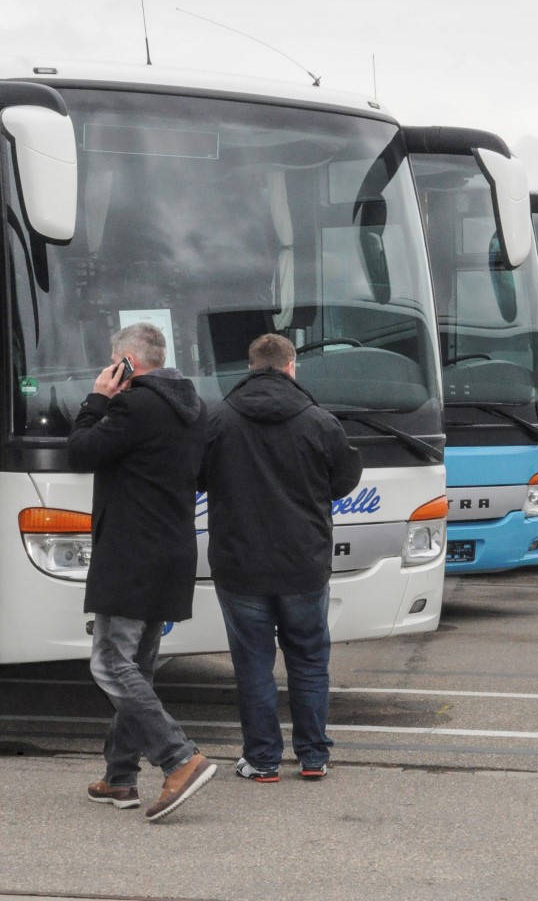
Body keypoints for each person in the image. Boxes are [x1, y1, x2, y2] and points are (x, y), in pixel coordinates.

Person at [69, 322, 217, 822]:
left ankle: (179, 758)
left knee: (110, 665)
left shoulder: (133, 405)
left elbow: (82, 451)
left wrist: (97, 400)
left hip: (132, 553)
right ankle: (119, 777)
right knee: (140, 668)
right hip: (172, 550)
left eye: (114, 362)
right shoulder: (192, 408)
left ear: (127, 362)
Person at [201, 334, 362, 783]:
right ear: (291, 367)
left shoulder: (218, 419)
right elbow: (345, 478)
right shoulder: (319, 421)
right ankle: (313, 757)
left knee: (253, 663)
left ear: (252, 367)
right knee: (309, 659)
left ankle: (263, 760)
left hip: (239, 564)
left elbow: (193, 474)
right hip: (304, 562)